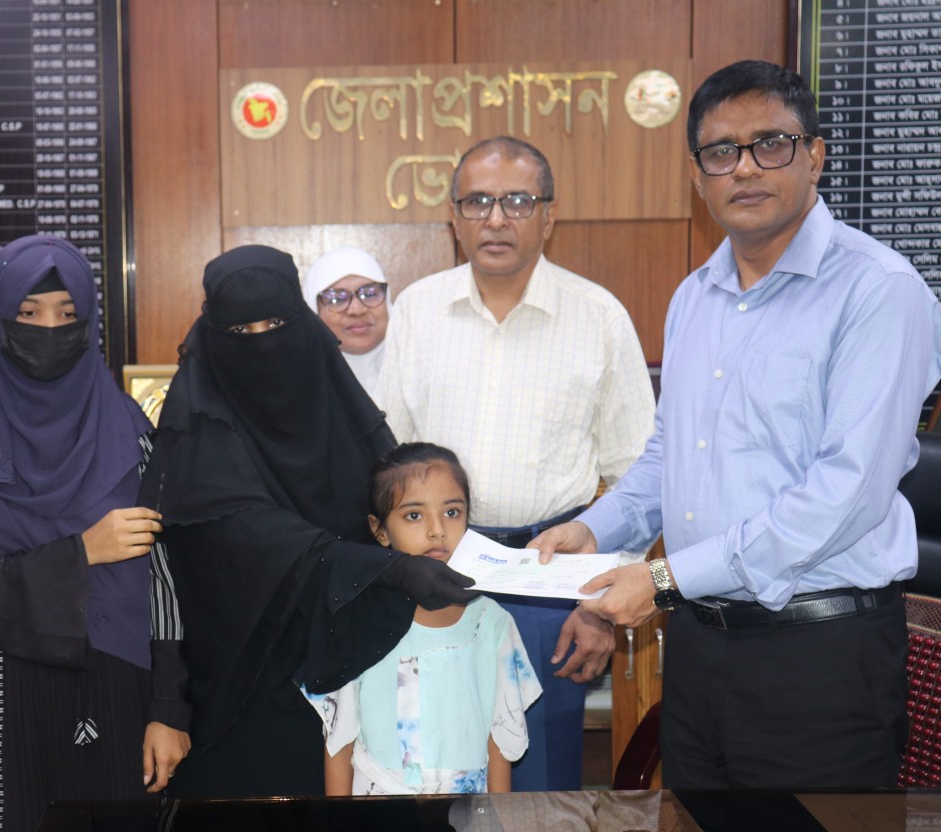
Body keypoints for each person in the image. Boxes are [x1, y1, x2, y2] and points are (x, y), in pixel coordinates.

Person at [534, 60, 941, 788]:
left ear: (815, 156)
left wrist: (665, 579)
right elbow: (670, 455)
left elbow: (845, 494)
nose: (745, 168)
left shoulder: (878, 290)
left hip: (819, 656)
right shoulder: (695, 297)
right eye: (722, 151)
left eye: (771, 144)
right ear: (698, 176)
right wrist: (596, 529)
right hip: (699, 647)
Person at [138, 244, 478, 798]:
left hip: (354, 668)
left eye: (275, 324)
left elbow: (392, 509)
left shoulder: (341, 409)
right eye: (240, 330)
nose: (262, 343)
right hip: (241, 679)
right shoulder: (198, 432)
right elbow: (250, 538)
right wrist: (386, 569)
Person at [377, 136, 655, 790]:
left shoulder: (598, 316)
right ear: (454, 217)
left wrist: (599, 603)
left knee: (541, 782)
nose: (496, 219)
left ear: (549, 216)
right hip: (438, 575)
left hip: (551, 584)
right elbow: (389, 458)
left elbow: (641, 474)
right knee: (433, 765)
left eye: (517, 202)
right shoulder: (417, 310)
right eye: (477, 202)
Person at [0, 235, 189, 832]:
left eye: (67, 314)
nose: (50, 330)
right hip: (11, 689)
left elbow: (163, 582)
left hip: (125, 688)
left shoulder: (131, 435)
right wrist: (80, 553)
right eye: (30, 314)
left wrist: (169, 707)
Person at [306, 443, 542, 795]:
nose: (437, 530)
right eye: (414, 515)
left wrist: (496, 817)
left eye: (452, 512)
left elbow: (500, 742)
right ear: (380, 530)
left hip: (465, 810)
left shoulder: (491, 622)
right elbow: (338, 740)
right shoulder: (357, 619)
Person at [303, 246, 392, 397]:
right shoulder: (300, 383)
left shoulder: (420, 366)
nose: (356, 310)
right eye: (336, 299)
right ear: (314, 310)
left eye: (369, 294)